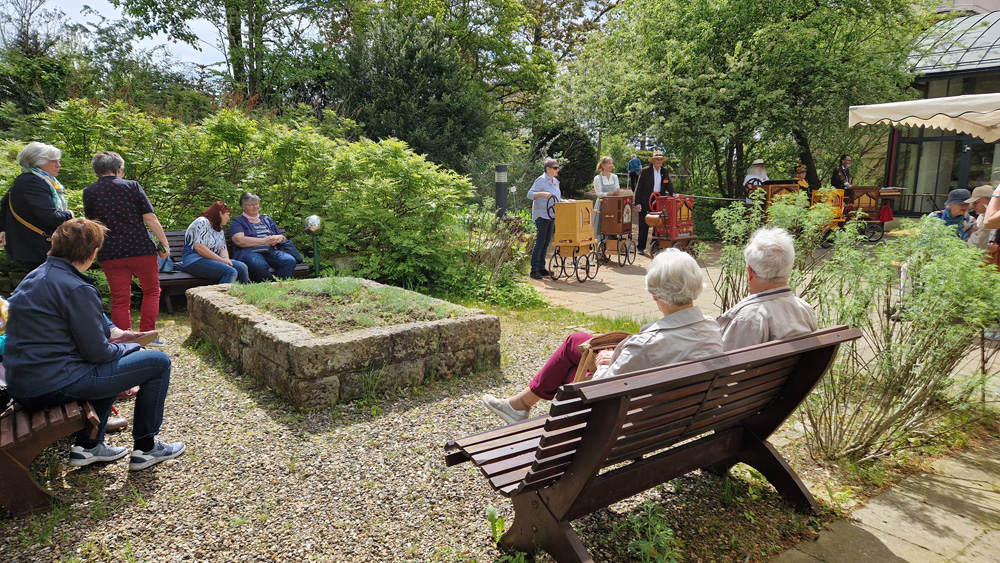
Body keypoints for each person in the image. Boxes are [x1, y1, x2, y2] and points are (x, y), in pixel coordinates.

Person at [3, 218, 184, 470]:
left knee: (113, 365)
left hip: (24, 384)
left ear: (54, 246)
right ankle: (147, 447)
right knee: (158, 362)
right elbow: (99, 352)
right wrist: (132, 347)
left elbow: (95, 326)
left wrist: (118, 334)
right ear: (93, 252)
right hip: (51, 385)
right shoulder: (76, 287)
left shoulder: (37, 276)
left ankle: (88, 447)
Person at [482, 249, 723, 424]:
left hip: (624, 422)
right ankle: (519, 405)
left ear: (655, 295)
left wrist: (605, 363)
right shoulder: (712, 329)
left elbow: (601, 389)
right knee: (577, 341)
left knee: (570, 365)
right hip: (678, 416)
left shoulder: (645, 346)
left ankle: (519, 406)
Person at [82, 151, 169, 344]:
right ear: (119, 169)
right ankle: (147, 335)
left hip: (110, 251)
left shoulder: (89, 192)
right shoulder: (132, 186)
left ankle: (124, 339)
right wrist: (164, 244)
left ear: (97, 171)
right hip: (140, 248)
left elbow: (92, 224)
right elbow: (150, 218)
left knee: (120, 299)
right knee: (152, 291)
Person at [716, 228, 817, 351]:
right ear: (789, 269)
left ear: (749, 273)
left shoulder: (749, 317)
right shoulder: (804, 309)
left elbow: (727, 365)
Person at [0, 142, 74, 269]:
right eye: (53, 161)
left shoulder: (27, 179)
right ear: (37, 162)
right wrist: (69, 214)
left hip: (33, 248)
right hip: (37, 249)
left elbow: (3, 205)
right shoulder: (33, 182)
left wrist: (4, 229)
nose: (58, 165)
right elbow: (50, 218)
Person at [229, 192, 302, 283]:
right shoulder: (238, 221)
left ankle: (280, 286)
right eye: (251, 205)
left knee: (289, 260)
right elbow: (239, 240)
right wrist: (264, 241)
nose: (255, 207)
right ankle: (270, 287)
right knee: (258, 265)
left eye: (256, 204)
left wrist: (280, 238)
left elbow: (283, 238)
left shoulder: (267, 220)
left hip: (271, 251)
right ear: (243, 207)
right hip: (250, 253)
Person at [182, 201, 249, 284]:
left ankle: (243, 295)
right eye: (227, 215)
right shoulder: (202, 221)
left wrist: (226, 259)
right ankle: (222, 296)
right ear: (220, 213)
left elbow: (223, 249)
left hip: (213, 260)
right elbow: (199, 247)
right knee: (230, 271)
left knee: (242, 267)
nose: (228, 218)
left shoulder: (218, 228)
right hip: (194, 260)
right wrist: (221, 260)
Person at [634, 151, 675, 255]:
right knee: (644, 224)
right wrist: (637, 203)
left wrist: (673, 193)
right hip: (645, 200)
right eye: (657, 159)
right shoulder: (645, 171)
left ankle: (655, 246)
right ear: (653, 161)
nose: (659, 161)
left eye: (661, 159)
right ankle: (641, 247)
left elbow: (668, 184)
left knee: (659, 223)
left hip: (659, 201)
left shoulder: (664, 171)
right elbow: (638, 188)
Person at [527, 159, 562, 280]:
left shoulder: (555, 181)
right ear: (548, 169)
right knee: (540, 241)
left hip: (551, 214)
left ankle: (541, 267)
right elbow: (530, 194)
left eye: (558, 167)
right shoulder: (541, 180)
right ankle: (534, 269)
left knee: (546, 242)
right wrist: (542, 194)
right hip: (542, 214)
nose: (557, 170)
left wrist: (566, 201)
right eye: (555, 168)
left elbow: (557, 198)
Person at [592, 156, 621, 239]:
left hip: (613, 205)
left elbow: (617, 190)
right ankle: (599, 246)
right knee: (600, 226)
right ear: (603, 165)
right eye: (609, 163)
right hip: (602, 205)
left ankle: (611, 244)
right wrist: (611, 193)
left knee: (612, 225)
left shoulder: (615, 177)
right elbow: (599, 194)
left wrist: (616, 192)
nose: (611, 165)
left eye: (612, 163)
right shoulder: (597, 178)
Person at [964, 185, 993, 250]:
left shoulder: (991, 218)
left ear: (989, 200)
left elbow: (976, 243)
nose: (973, 205)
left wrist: (971, 233)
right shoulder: (981, 216)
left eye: (976, 202)